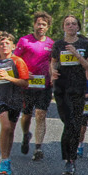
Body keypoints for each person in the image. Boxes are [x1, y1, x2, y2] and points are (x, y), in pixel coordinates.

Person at [50, 15, 88, 175]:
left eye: (73, 23)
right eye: (67, 24)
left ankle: (70, 160)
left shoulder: (84, 44)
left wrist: (77, 54)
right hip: (61, 88)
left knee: (75, 124)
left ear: (78, 27)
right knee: (68, 123)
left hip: (78, 88)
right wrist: (52, 71)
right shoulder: (58, 45)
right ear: (63, 27)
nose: (70, 26)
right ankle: (68, 157)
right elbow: (53, 62)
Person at [0, 32, 31, 175]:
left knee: (10, 130)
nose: (4, 46)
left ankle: (7, 158)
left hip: (15, 99)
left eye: (7, 43)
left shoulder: (18, 61)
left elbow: (25, 82)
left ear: (13, 46)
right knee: (5, 126)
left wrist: (10, 78)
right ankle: (4, 160)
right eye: (1, 44)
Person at [14, 12, 56, 160]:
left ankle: (38, 148)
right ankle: (26, 134)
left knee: (41, 114)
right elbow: (15, 59)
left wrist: (52, 75)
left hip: (44, 85)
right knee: (26, 115)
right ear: (34, 25)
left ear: (47, 27)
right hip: (27, 84)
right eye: (38, 24)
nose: (40, 27)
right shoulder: (24, 41)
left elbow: (53, 62)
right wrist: (24, 72)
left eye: (43, 24)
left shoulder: (51, 44)